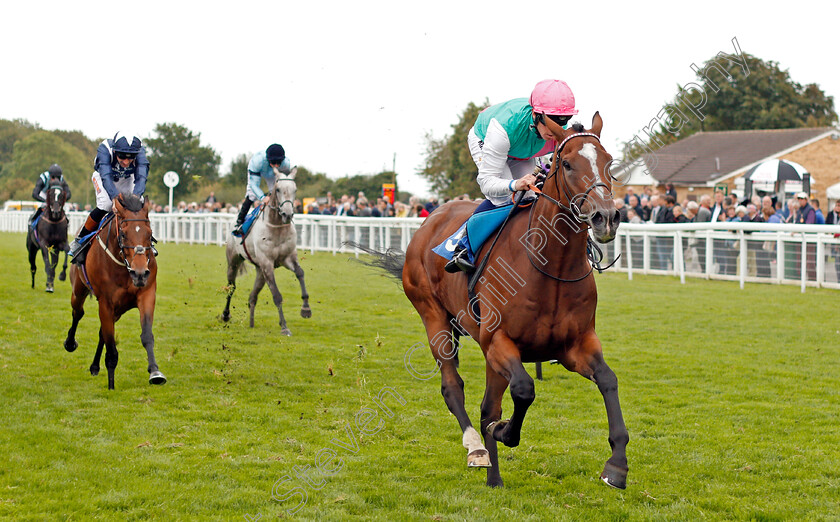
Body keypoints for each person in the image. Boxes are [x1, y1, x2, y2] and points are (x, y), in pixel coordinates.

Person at [445, 79, 577, 273]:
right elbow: (487, 183)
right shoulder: (503, 128)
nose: (557, 128)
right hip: (487, 138)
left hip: (521, 148)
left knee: (531, 198)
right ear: (536, 114)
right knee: (504, 198)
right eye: (551, 121)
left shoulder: (559, 133)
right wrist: (515, 184)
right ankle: (463, 246)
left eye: (563, 121)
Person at [69, 131, 149, 257]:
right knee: (106, 205)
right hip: (105, 177)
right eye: (122, 156)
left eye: (131, 157)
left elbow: (141, 177)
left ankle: (147, 243)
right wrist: (115, 199)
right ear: (115, 151)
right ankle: (80, 240)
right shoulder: (104, 149)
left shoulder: (141, 153)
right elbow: (106, 176)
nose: (126, 162)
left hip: (128, 178)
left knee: (139, 204)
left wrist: (136, 197)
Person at [231, 144, 291, 236]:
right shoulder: (257, 161)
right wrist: (263, 197)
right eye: (273, 162)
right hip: (257, 170)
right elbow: (254, 185)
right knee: (252, 194)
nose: (275, 165)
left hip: (273, 174)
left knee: (276, 192)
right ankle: (239, 222)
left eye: (278, 162)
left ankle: (282, 219)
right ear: (268, 159)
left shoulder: (286, 164)